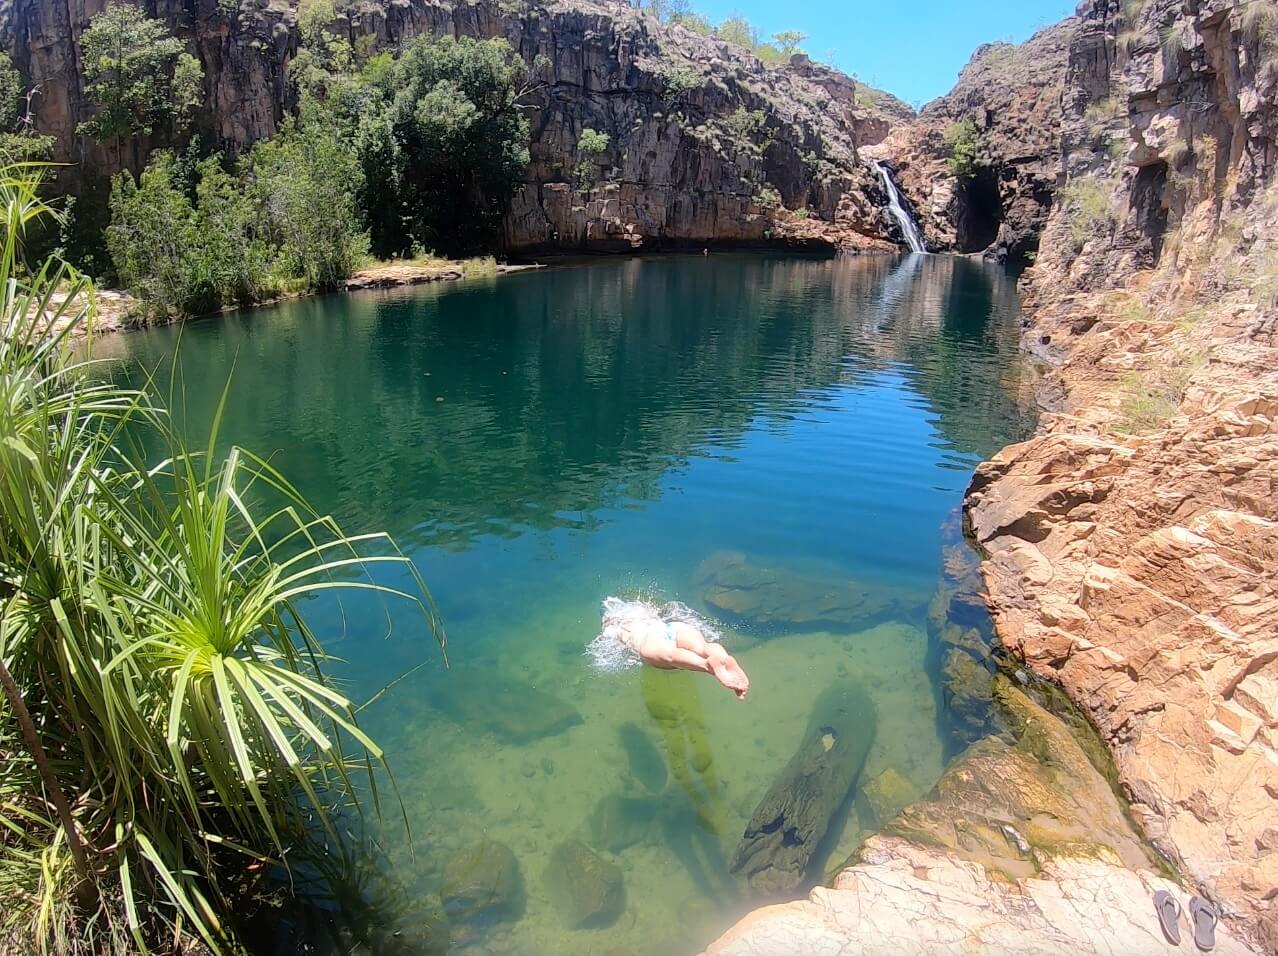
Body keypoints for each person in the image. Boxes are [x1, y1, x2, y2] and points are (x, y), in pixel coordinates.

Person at [592, 597, 750, 699]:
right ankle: (723, 658)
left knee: (671, 655)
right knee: (703, 646)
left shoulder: (612, 627)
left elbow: (609, 648)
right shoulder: (639, 610)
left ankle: (707, 666)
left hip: (648, 641)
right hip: (671, 627)